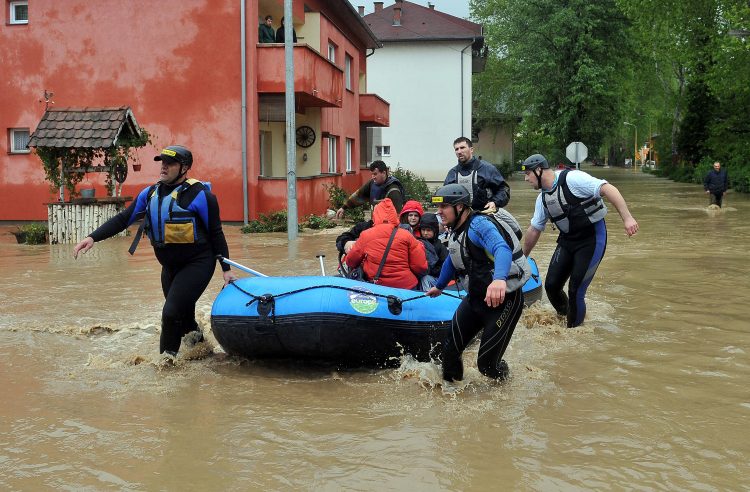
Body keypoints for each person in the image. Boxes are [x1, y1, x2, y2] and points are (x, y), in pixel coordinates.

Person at [72, 145, 238, 360]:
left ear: (184, 167)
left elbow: (216, 233)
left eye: (170, 163)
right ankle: (205, 355)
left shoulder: (201, 196)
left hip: (198, 262)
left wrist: (226, 269)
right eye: (162, 162)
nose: (164, 167)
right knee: (183, 316)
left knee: (170, 313)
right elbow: (124, 219)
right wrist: (92, 237)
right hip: (169, 267)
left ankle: (165, 366)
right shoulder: (150, 193)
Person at [520, 153, 639, 328]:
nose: (525, 179)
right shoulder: (543, 199)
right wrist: (522, 259)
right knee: (552, 286)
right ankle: (567, 318)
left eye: (527, 173)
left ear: (538, 170)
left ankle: (574, 333)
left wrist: (627, 218)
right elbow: (534, 230)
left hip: (592, 239)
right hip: (568, 241)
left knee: (575, 291)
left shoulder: (573, 179)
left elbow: (607, 188)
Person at [426, 184, 528, 382]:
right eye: (439, 207)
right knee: (449, 352)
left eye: (444, 206)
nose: (439, 212)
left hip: (503, 301)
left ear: (461, 207)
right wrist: (439, 286)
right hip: (475, 299)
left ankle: (507, 387)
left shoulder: (479, 225)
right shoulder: (455, 230)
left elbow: (502, 249)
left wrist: (499, 279)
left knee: (487, 366)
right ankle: (453, 400)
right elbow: (452, 259)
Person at [345, 198, 427, 290]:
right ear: (394, 215)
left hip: (377, 286)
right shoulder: (407, 235)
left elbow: (351, 261)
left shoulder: (366, 234)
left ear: (375, 215)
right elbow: (420, 266)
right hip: (406, 286)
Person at [444, 137, 510, 213]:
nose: (459, 151)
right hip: (459, 217)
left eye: (462, 148)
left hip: (484, 214)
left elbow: (503, 189)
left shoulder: (487, 169)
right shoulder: (452, 173)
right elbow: (445, 196)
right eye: (456, 149)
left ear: (471, 149)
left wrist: (494, 202)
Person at [336, 160, 406, 218]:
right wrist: (344, 207)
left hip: (387, 229)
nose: (373, 177)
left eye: (375, 174)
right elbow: (358, 195)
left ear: (384, 173)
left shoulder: (393, 191)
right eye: (372, 174)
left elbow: (398, 216)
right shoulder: (372, 183)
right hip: (375, 223)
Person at [418, 212, 449, 278]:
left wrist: (431, 271)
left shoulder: (440, 246)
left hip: (435, 277)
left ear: (435, 230)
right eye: (423, 230)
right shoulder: (418, 243)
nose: (425, 233)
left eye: (428, 230)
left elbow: (445, 266)